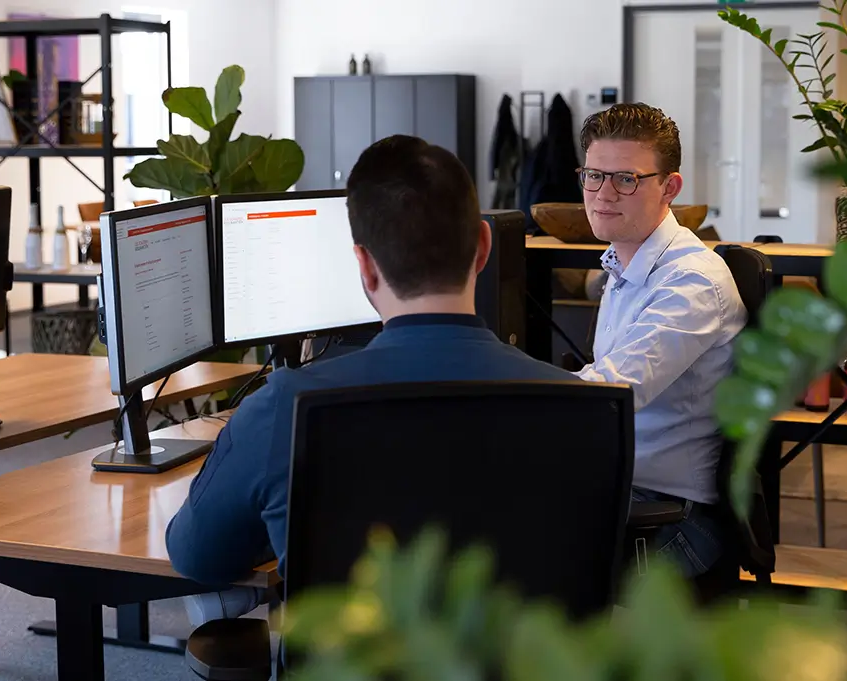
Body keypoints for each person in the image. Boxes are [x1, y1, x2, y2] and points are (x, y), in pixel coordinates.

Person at [165, 134, 580, 599]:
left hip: (349, 647)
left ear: (363, 265)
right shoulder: (575, 404)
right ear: (484, 246)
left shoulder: (286, 406)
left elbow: (197, 556)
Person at [573, 103, 746, 577]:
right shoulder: (622, 263)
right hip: (628, 492)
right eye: (594, 176)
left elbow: (613, 392)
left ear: (669, 188)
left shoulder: (691, 281)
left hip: (672, 521)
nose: (603, 194)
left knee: (513, 552)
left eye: (626, 179)